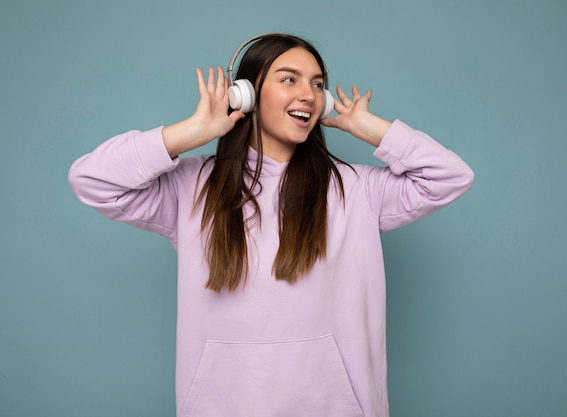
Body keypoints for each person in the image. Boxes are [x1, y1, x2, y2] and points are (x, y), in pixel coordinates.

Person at [68, 33, 474, 417]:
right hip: (221, 405)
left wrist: (368, 128)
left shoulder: (358, 188)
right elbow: (92, 179)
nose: (308, 95)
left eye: (317, 85)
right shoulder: (190, 187)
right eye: (289, 79)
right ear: (244, 94)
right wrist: (193, 132)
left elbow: (451, 176)